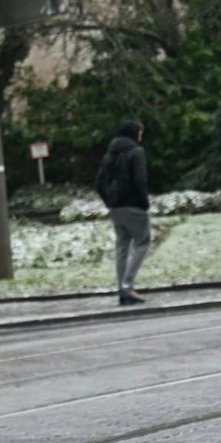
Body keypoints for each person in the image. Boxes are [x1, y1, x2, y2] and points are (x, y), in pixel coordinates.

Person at [95, 120, 151, 305]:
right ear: (135, 134)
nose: (141, 137)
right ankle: (128, 286)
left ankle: (122, 288)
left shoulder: (109, 154)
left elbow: (99, 183)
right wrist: (144, 203)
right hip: (134, 206)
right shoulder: (136, 152)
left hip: (115, 208)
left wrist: (110, 202)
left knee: (122, 247)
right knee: (143, 243)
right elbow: (140, 180)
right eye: (140, 133)